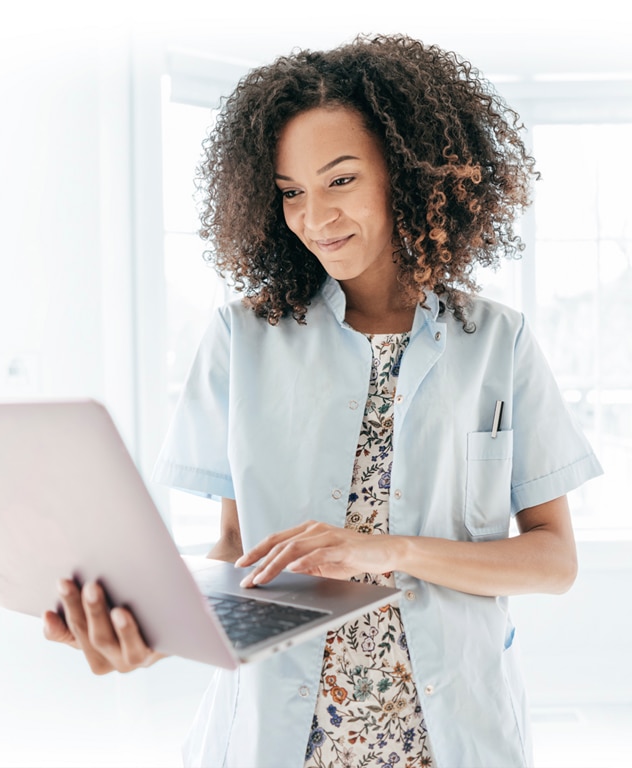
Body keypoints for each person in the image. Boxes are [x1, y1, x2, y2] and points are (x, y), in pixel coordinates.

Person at [43, 33, 602, 767]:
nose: (315, 217)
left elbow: (553, 561)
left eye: (340, 180)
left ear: (405, 175)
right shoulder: (242, 338)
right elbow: (236, 553)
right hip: (283, 738)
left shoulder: (498, 341)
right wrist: (153, 631)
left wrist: (389, 552)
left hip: (451, 736)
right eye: (291, 192)